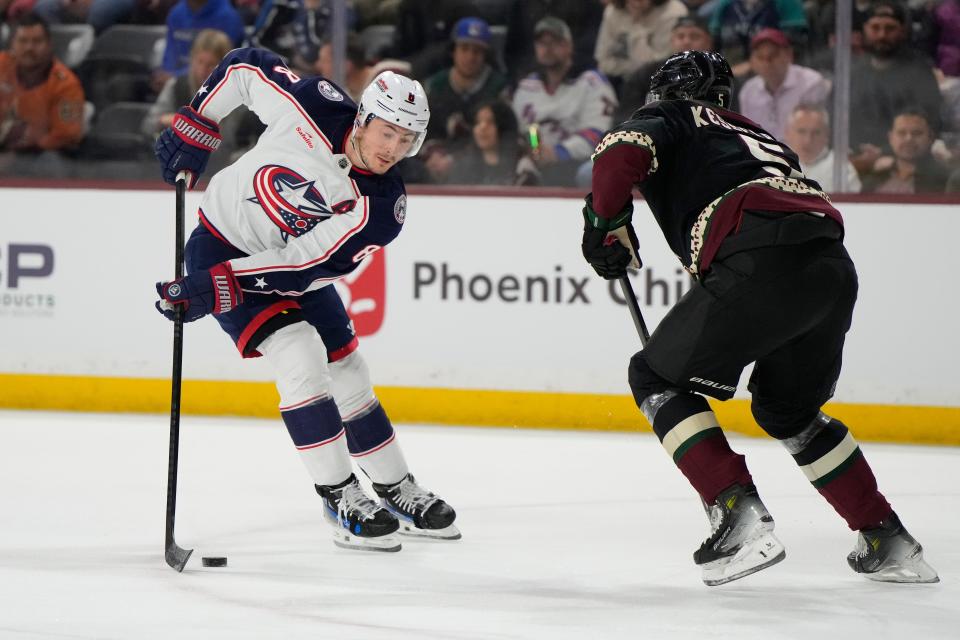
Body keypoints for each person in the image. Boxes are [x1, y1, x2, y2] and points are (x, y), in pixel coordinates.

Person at [580, 50, 938, 586]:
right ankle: (887, 537)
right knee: (790, 413)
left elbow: (618, 152)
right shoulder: (761, 137)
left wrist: (603, 222)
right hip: (831, 268)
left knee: (653, 375)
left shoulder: (676, 115)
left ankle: (736, 513)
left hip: (760, 256)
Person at [151, 47, 460, 552]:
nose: (392, 149)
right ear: (363, 119)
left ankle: (393, 487)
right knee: (299, 356)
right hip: (221, 243)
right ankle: (337, 496)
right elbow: (247, 67)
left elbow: (301, 266)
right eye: (387, 132)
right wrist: (198, 123)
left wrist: (219, 284)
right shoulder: (315, 104)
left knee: (349, 371)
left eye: (406, 140)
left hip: (287, 270)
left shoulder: (381, 208)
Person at [511, 16, 618, 186]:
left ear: (569, 46)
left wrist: (558, 152)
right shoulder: (526, 88)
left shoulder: (592, 83)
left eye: (555, 42)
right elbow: (518, 133)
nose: (547, 48)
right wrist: (530, 151)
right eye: (542, 43)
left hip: (578, 164)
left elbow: (599, 135)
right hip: (535, 164)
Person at [849, 1, 942, 172]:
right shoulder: (851, 72)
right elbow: (835, 119)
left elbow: (931, 124)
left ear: (902, 31)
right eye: (875, 28)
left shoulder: (919, 72)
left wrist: (885, 151)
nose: (882, 35)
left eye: (890, 28)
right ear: (864, 29)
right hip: (853, 160)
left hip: (906, 161)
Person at [0, 12, 84, 152]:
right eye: (23, 41)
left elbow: (67, 136)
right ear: (12, 45)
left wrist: (20, 152)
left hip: (43, 155)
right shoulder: (2, 64)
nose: (29, 48)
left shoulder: (66, 84)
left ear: (49, 45)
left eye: (37, 41)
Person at [423, 16, 508, 145]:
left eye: (477, 51)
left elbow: (507, 136)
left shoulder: (499, 88)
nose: (470, 57)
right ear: (453, 51)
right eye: (464, 48)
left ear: (486, 55)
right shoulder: (435, 85)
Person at [616, 14, 714, 123]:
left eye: (694, 37)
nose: (686, 41)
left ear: (708, 43)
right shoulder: (646, 74)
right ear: (672, 41)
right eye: (680, 36)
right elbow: (626, 115)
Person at [737, 28, 829, 141]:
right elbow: (749, 136)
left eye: (772, 56)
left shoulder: (811, 84)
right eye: (760, 57)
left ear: (789, 55)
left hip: (801, 154)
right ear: (752, 61)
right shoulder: (748, 91)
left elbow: (815, 133)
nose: (766, 63)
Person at [593, 0, 689, 88]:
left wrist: (637, 23)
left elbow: (656, 66)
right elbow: (602, 61)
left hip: (659, 83)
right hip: (616, 78)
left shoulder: (672, 12)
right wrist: (629, 68)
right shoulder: (613, 11)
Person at [446, 98, 539, 186]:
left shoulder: (522, 167)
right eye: (478, 122)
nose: (482, 128)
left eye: (490, 122)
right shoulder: (462, 166)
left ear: (504, 128)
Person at [861, 109, 950, 194]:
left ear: (930, 138)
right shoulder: (874, 179)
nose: (908, 139)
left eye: (916, 133)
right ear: (890, 138)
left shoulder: (944, 181)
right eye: (901, 133)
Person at [783, 103, 861, 192]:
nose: (807, 140)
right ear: (787, 133)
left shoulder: (842, 170)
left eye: (816, 133)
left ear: (827, 135)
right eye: (801, 131)